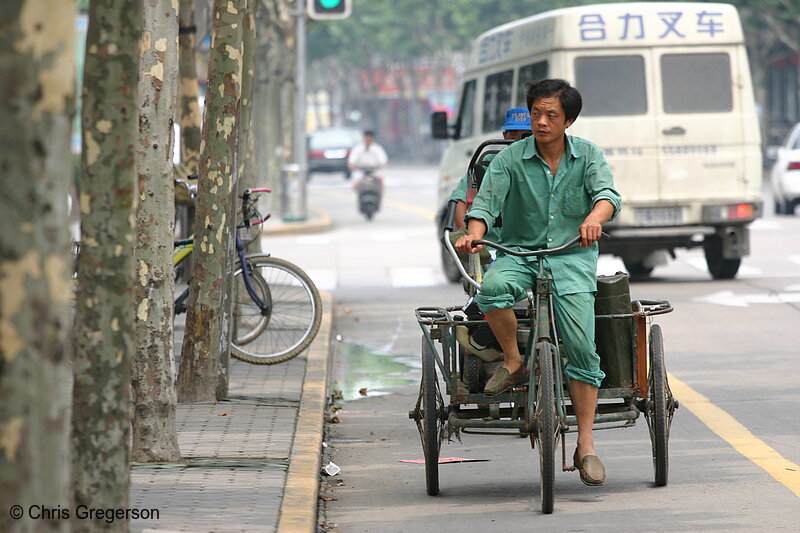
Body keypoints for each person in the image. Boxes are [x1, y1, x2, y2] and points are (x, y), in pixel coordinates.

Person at [455, 79, 621, 486]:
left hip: (571, 257)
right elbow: (485, 205)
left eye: (551, 115)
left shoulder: (588, 155)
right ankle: (513, 359)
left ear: (568, 120)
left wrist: (593, 220)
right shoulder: (510, 159)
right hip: (519, 254)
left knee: (582, 347)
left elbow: (607, 196)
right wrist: (474, 232)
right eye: (536, 113)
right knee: (492, 291)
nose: (542, 121)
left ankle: (586, 445)